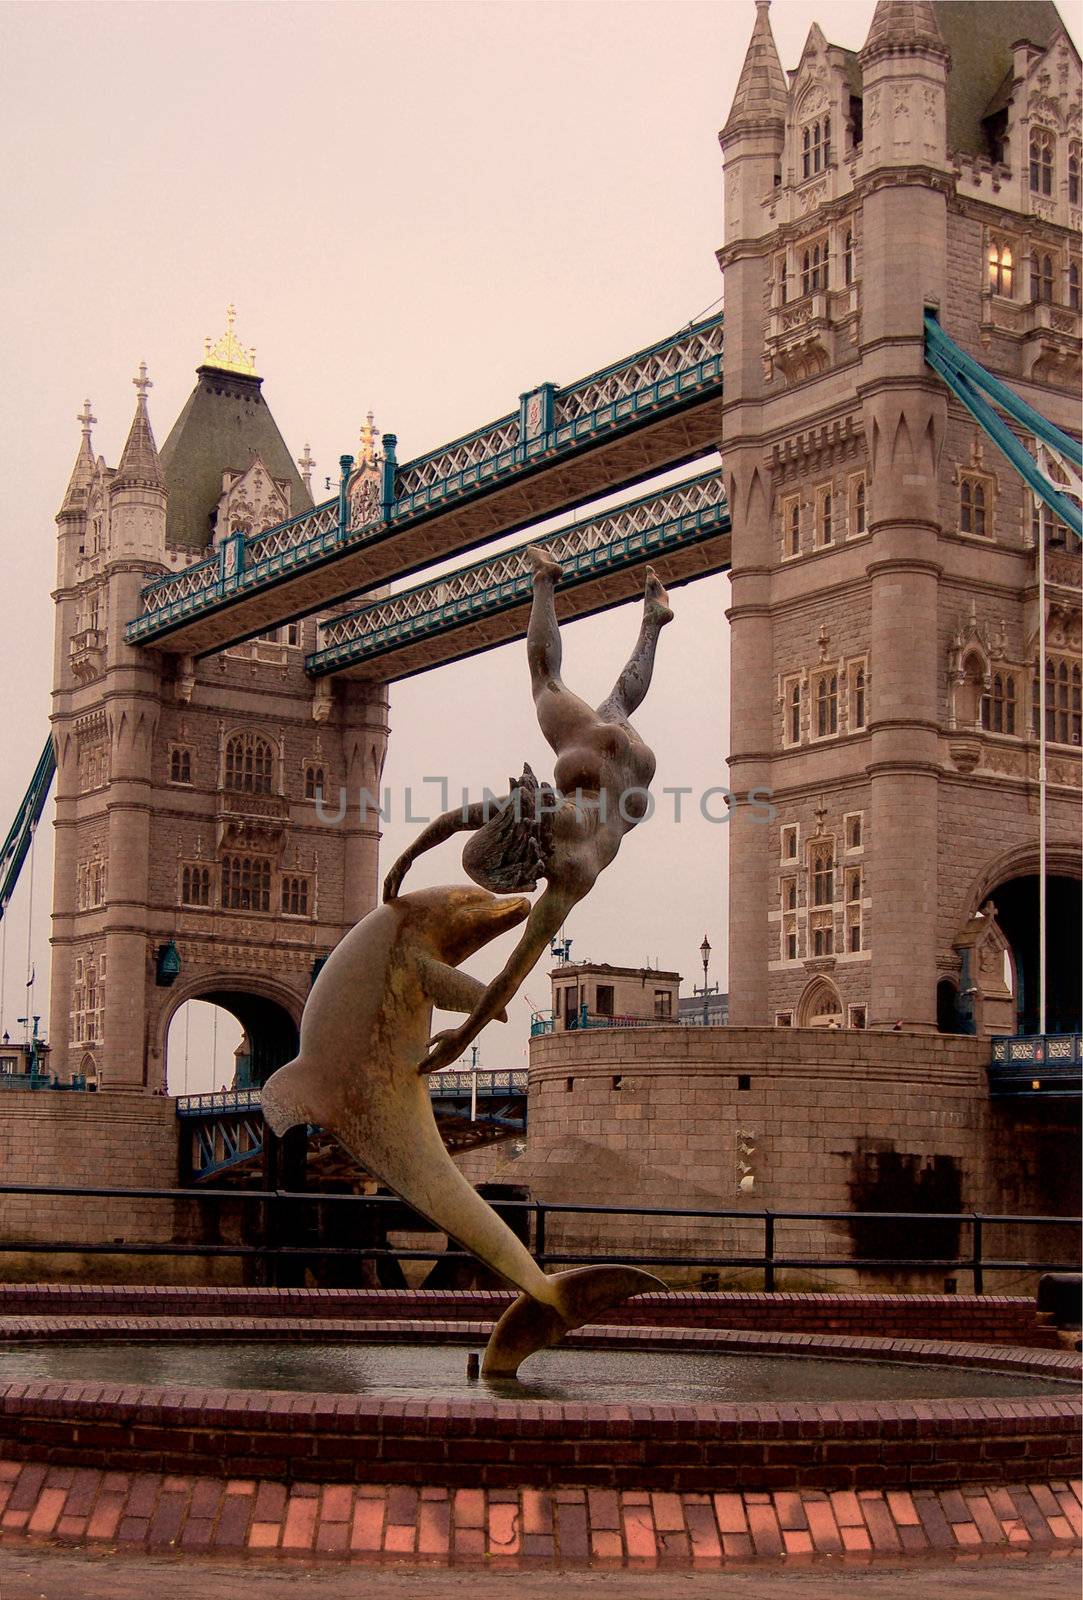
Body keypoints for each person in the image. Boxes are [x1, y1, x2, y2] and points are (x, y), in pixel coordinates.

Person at [383, 544, 673, 1072]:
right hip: (596, 761)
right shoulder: (536, 812)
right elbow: (458, 820)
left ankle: (654, 619)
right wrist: (404, 860)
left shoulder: (569, 878)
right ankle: (544, 580)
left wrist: (462, 1036)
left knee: (618, 704)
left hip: (635, 780)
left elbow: (512, 974)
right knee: (546, 680)